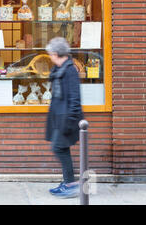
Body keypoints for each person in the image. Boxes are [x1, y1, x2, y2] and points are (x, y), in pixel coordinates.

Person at [45, 37, 83, 198]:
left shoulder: (70, 71)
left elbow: (75, 99)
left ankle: (71, 184)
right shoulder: (60, 69)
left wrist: (70, 121)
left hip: (67, 118)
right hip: (58, 117)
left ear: (56, 53)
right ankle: (68, 182)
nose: (50, 56)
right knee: (62, 149)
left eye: (51, 54)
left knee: (58, 148)